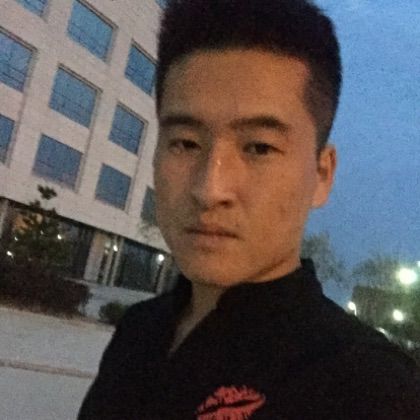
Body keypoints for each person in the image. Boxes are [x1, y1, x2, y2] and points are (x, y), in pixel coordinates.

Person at [78, 0, 420, 418]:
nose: (210, 189)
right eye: (186, 143)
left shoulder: (366, 386)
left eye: (259, 147)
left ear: (321, 174)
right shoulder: (139, 330)